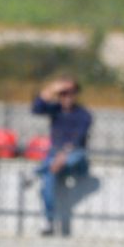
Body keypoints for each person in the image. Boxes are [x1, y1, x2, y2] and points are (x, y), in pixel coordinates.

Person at [31, 74, 92, 236]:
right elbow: (36, 107)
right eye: (63, 93)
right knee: (48, 183)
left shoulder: (83, 115)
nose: (67, 97)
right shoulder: (56, 110)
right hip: (55, 159)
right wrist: (53, 88)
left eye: (70, 93)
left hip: (74, 157)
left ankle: (35, 172)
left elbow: (77, 140)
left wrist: (63, 156)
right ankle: (49, 221)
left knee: (72, 157)